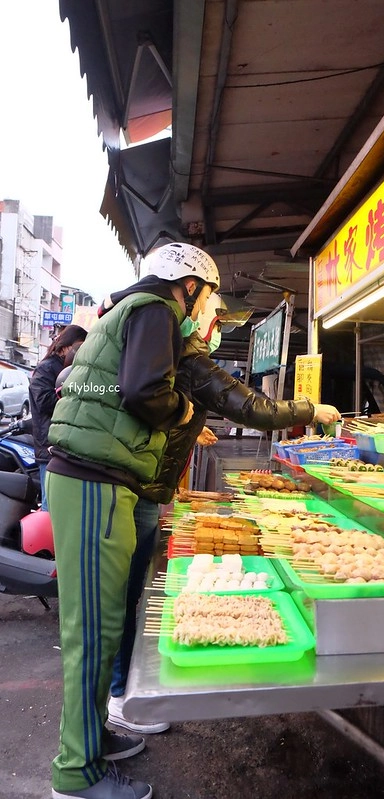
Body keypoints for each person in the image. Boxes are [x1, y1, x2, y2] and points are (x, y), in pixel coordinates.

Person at [101, 291, 341, 734]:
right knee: (120, 597)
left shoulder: (175, 353)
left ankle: (115, 695)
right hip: (134, 487)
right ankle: (118, 695)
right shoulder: (186, 356)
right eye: (214, 319)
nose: (214, 330)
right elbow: (249, 406)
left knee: (126, 595)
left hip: (147, 488)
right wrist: (311, 409)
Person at [46, 242, 220, 799]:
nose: (204, 310)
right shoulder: (157, 310)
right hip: (95, 482)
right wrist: (185, 410)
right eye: (207, 295)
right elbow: (145, 391)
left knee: (102, 625)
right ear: (189, 285)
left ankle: (92, 737)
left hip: (96, 480)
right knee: (93, 633)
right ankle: (76, 775)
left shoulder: (124, 309)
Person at [28, 324, 88, 510]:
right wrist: (72, 396)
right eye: (78, 346)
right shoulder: (46, 368)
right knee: (50, 507)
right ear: (65, 346)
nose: (80, 351)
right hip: (50, 448)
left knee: (64, 506)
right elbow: (44, 401)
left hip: (67, 447)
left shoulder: (75, 369)